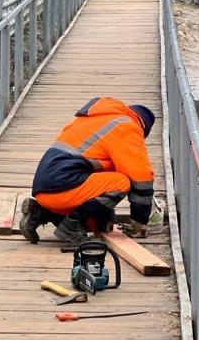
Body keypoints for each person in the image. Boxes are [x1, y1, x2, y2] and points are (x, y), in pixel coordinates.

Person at [19, 97, 155, 246]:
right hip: (62, 188)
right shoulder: (127, 126)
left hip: (45, 192)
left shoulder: (95, 120)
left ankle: (39, 212)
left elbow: (97, 179)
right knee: (121, 183)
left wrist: (106, 218)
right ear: (143, 128)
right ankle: (70, 226)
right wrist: (139, 221)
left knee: (95, 224)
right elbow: (142, 178)